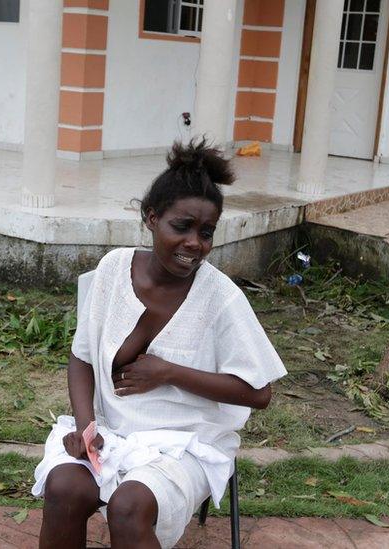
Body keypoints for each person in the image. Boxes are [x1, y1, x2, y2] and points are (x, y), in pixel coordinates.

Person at [32, 139, 288, 548]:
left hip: (185, 444)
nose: (195, 243)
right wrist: (85, 428)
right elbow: (81, 358)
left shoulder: (220, 298)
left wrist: (169, 372)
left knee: (128, 507)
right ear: (152, 218)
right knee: (64, 487)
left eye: (206, 233)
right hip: (112, 434)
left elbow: (259, 393)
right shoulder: (114, 270)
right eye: (181, 227)